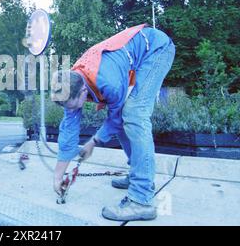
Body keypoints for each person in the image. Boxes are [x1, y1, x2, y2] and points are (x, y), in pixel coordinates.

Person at [51, 24, 175, 221]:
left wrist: (93, 142)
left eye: (73, 106)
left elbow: (115, 119)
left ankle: (141, 199)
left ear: (83, 91)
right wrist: (58, 175)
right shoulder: (73, 81)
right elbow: (68, 130)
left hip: (158, 49)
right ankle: (137, 172)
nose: (71, 110)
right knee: (124, 118)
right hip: (140, 53)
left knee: (134, 114)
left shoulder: (107, 81)